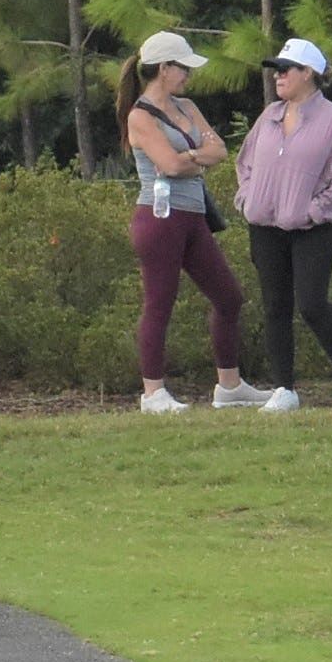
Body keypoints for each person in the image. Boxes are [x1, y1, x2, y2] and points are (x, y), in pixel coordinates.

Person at [118, 30, 267, 417]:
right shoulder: (139, 115)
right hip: (158, 219)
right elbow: (168, 165)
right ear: (164, 69)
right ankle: (153, 394)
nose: (188, 75)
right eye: (182, 67)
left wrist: (191, 157)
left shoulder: (187, 107)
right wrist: (197, 156)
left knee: (229, 296)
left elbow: (218, 149)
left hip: (193, 216)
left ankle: (230, 385)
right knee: (159, 304)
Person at [233, 36, 332, 416]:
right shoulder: (269, 115)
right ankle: (283, 389)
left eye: (285, 69)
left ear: (309, 73)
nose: (278, 76)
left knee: (311, 305)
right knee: (275, 306)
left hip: (312, 230)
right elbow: (244, 164)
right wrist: (247, 199)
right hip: (264, 228)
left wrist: (313, 211)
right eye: (276, 70)